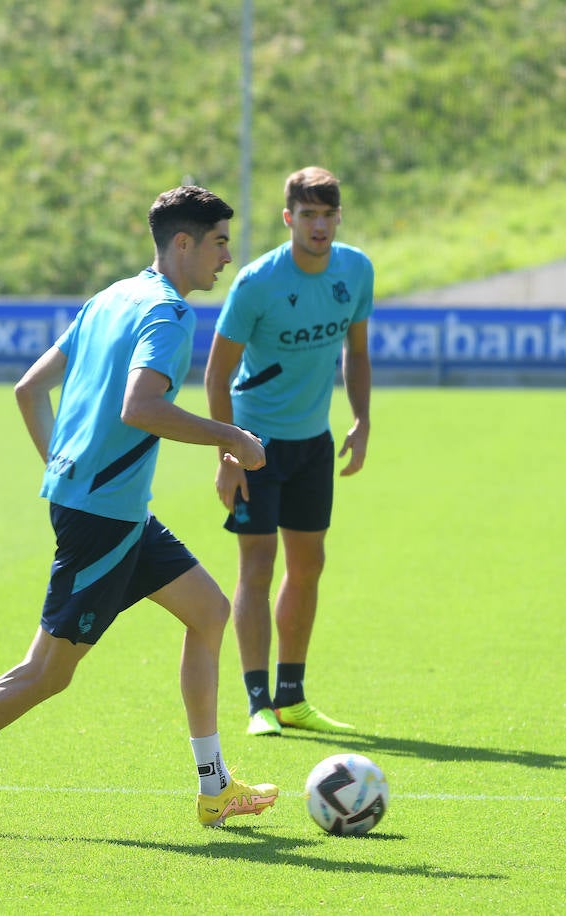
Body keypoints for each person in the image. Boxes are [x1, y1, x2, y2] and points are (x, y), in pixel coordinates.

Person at [0, 186, 279, 830]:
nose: (228, 256)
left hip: (112, 510)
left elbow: (29, 389)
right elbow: (141, 408)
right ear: (184, 243)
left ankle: (214, 787)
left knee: (208, 611)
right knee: (46, 674)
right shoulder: (169, 314)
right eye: (220, 242)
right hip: (104, 518)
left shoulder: (112, 297)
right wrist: (232, 438)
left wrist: (60, 467)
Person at [203, 166, 374, 737]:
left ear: (339, 218)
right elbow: (216, 375)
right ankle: (258, 703)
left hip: (313, 444)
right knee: (257, 565)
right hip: (256, 444)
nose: (318, 226)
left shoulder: (356, 270)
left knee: (308, 565)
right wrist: (228, 455)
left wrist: (362, 419)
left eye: (328, 215)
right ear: (288, 218)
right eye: (308, 215)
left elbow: (357, 352)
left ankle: (292, 697)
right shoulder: (257, 282)